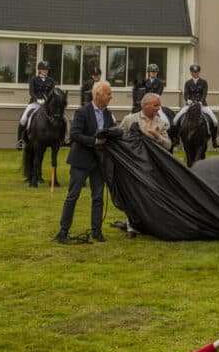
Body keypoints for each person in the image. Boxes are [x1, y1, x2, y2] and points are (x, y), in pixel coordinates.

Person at [54, 80, 116, 244]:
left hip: (99, 162)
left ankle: (97, 231)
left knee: (98, 197)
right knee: (73, 196)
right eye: (108, 94)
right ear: (98, 95)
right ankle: (63, 231)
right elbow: (74, 134)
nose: (111, 97)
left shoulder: (108, 114)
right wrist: (95, 141)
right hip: (81, 160)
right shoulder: (82, 112)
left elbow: (111, 132)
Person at [119, 92, 172, 238]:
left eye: (159, 105)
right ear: (146, 105)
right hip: (134, 165)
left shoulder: (160, 123)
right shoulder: (130, 119)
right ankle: (131, 227)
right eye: (156, 105)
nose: (158, 108)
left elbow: (168, 145)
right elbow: (119, 138)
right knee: (132, 195)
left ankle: (151, 224)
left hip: (152, 167)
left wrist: (157, 136)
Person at [172, 64, 219, 148]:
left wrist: (201, 101)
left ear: (199, 72)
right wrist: (188, 100)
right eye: (193, 72)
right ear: (191, 73)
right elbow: (185, 95)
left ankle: (214, 140)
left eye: (196, 72)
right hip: (190, 106)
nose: (195, 74)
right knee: (175, 120)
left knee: (215, 121)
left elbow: (204, 94)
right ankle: (176, 138)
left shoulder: (204, 82)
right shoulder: (187, 83)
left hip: (202, 105)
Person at [16, 60, 56, 149]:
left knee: (61, 117)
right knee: (23, 118)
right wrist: (37, 99)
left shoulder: (51, 80)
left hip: (47, 104)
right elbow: (31, 91)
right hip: (35, 103)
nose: (46, 71)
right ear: (39, 70)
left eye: (47, 69)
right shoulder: (34, 79)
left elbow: (52, 93)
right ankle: (20, 140)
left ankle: (61, 138)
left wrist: (48, 101)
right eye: (44, 69)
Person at [141, 63, 171, 130]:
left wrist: (151, 98)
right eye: (152, 72)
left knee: (161, 114)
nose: (153, 73)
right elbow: (142, 92)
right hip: (145, 102)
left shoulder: (160, 82)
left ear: (157, 73)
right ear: (149, 72)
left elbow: (159, 93)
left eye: (155, 72)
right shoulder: (144, 81)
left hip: (155, 103)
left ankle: (165, 125)